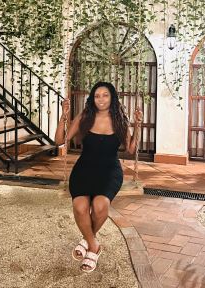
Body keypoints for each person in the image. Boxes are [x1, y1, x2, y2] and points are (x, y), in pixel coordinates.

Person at [55, 81, 143, 273]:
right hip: (84, 169)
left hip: (109, 171)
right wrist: (64, 115)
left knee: (100, 205)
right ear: (92, 99)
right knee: (80, 207)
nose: (101, 99)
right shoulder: (85, 116)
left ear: (112, 98)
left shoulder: (120, 120)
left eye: (105, 95)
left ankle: (88, 242)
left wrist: (138, 125)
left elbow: (130, 150)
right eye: (97, 96)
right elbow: (60, 140)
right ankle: (93, 244)